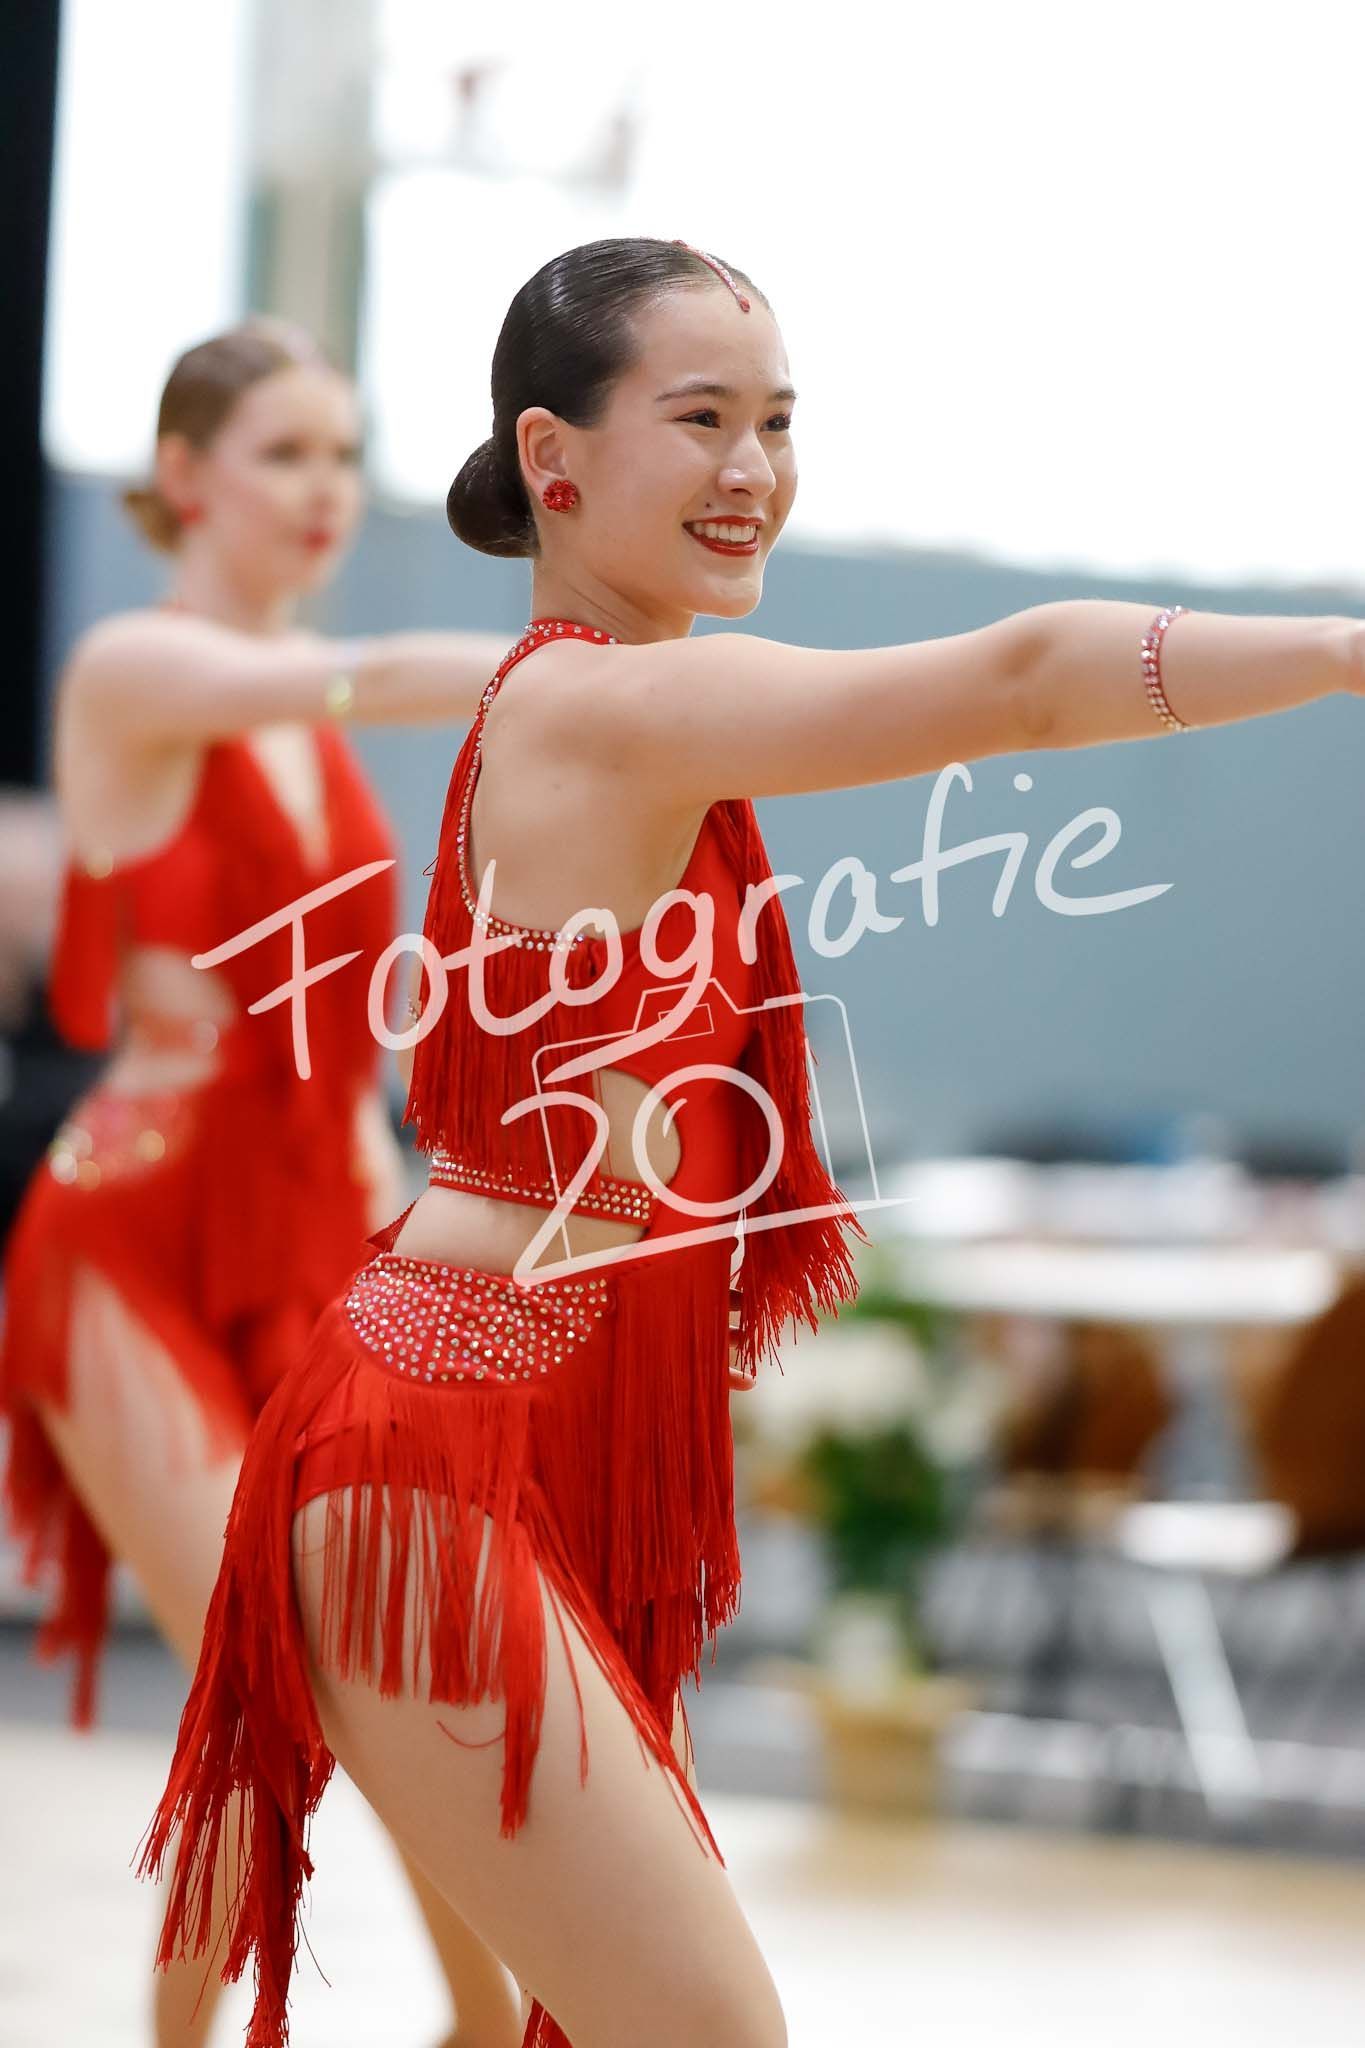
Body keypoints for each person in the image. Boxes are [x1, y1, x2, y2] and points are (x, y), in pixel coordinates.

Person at [138, 240, 1365, 2048]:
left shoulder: (639, 709)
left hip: (539, 1446)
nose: (752, 470)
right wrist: (1338, 650)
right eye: (701, 419)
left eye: (778, 423)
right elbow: (1026, 681)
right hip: (443, 1455)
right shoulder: (600, 705)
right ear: (552, 459)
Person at [0, 317, 528, 2048]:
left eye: (344, 456)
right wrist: (576, 656)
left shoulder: (305, 704)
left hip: (312, 1216)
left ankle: (484, 2024)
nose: (325, 489)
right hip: (130, 1232)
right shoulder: (137, 669)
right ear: (182, 475)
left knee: (395, 1650)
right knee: (263, 1660)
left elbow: (342, 1048)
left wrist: (419, 1257)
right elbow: (360, 676)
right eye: (285, 452)